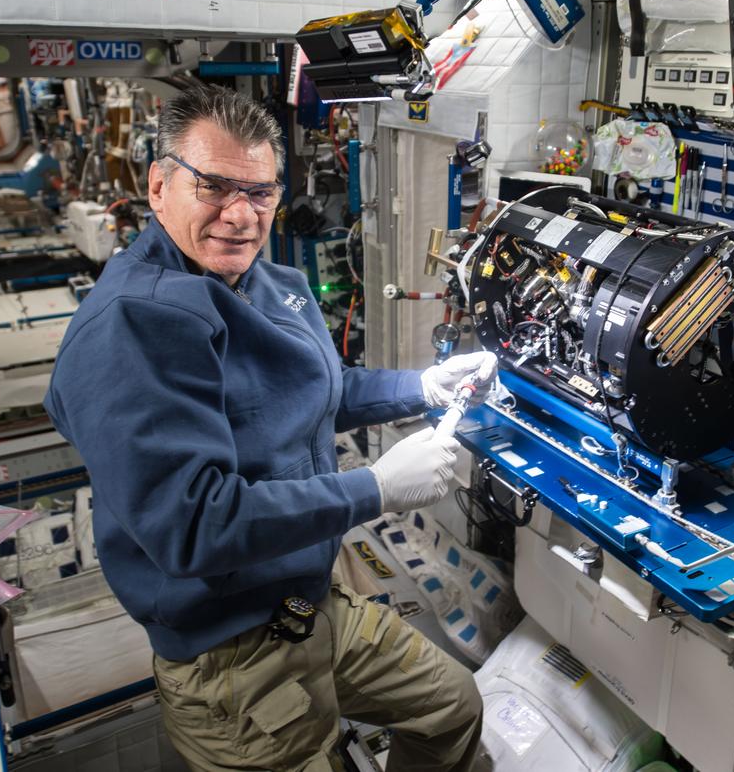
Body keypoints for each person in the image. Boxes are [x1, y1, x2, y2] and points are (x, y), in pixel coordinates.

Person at [44, 84, 496, 772]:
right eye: (215, 187)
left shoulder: (260, 282)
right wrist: (373, 488)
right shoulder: (132, 328)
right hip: (230, 657)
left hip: (312, 604)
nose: (239, 215)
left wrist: (421, 386)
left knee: (451, 707)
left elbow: (317, 390)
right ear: (159, 184)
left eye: (259, 194)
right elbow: (194, 524)